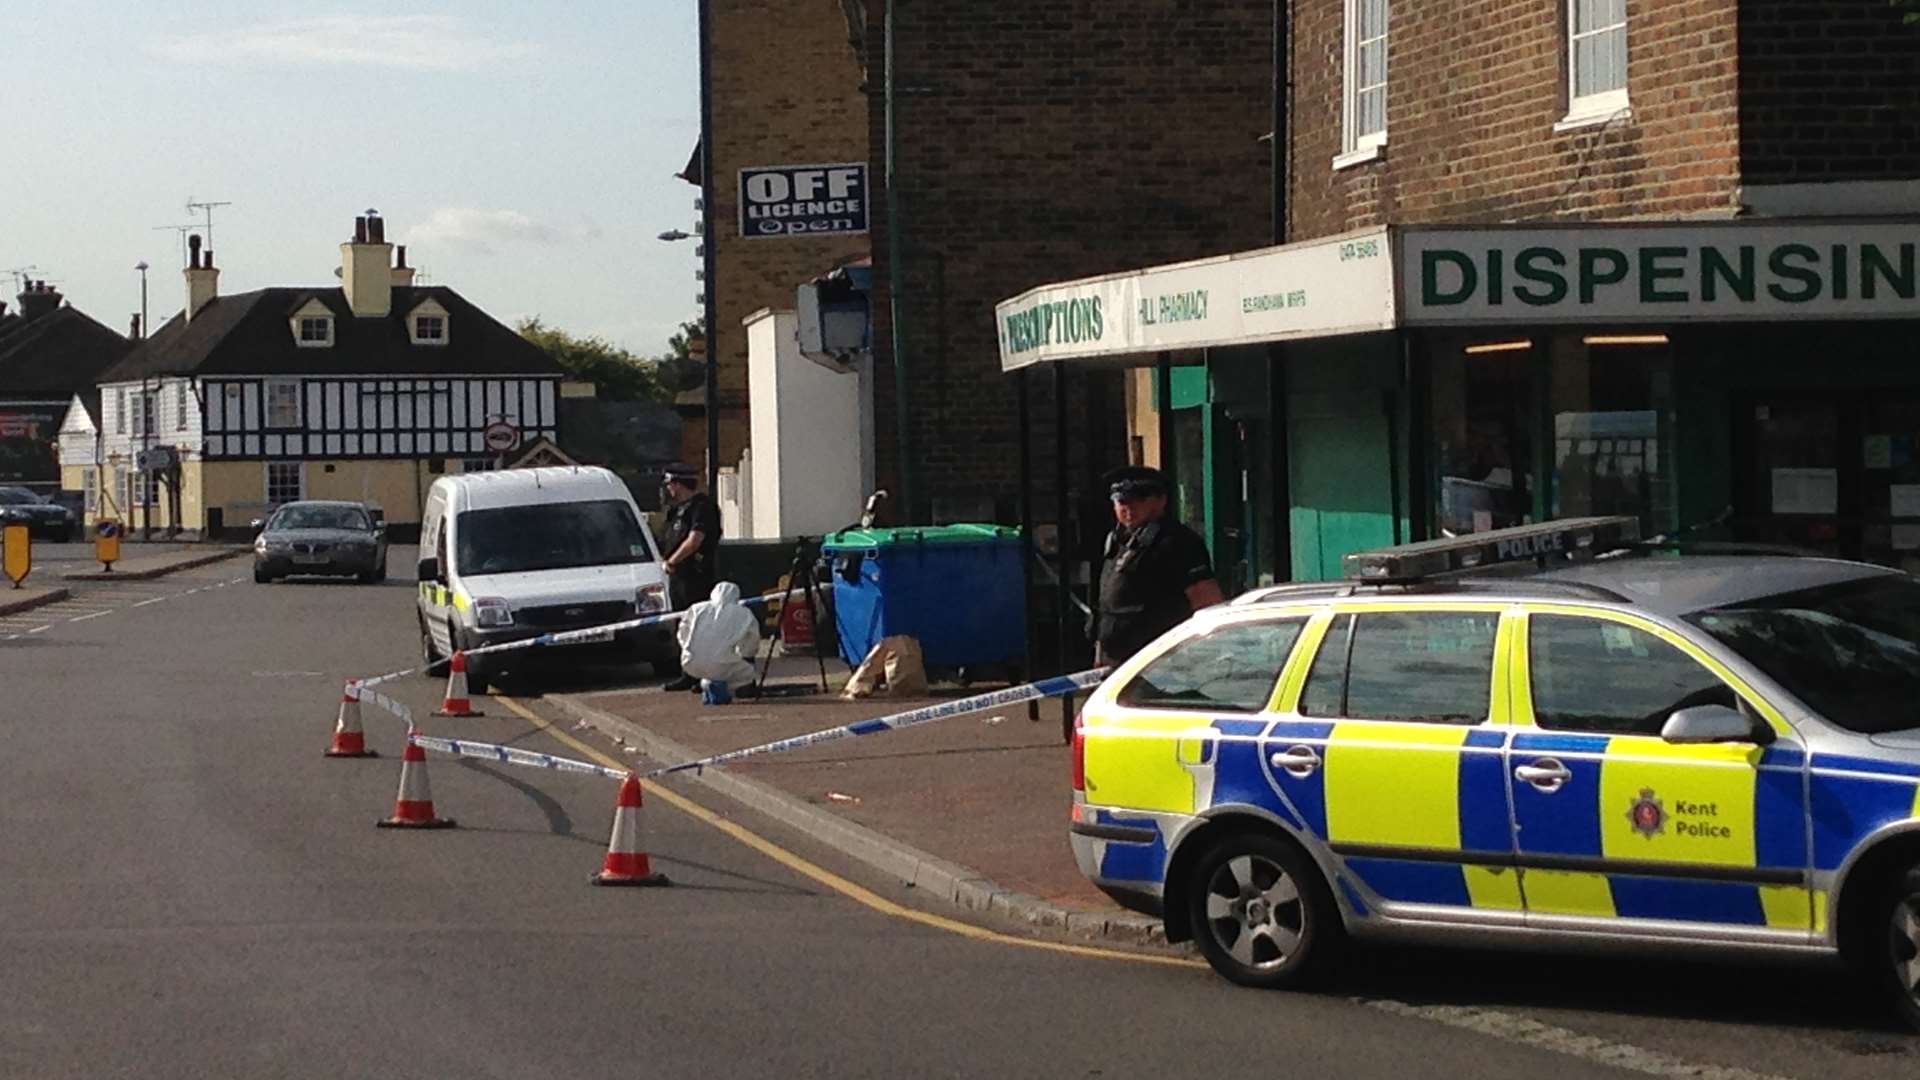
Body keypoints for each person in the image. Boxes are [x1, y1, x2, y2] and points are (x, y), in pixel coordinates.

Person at [1089, 465, 1225, 666]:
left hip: (1162, 660)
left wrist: (1205, 654)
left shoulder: (1177, 541)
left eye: (1140, 499)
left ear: (1161, 501)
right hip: (1119, 660)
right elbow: (1108, 605)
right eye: (1122, 501)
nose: (1129, 508)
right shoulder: (1119, 541)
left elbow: (1206, 600)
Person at [658, 463, 721, 691]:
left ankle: (705, 675)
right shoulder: (676, 510)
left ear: (678, 483)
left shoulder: (702, 507)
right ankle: (688, 673)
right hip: (679, 579)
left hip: (697, 577)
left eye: (670, 484)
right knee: (683, 626)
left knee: (700, 627)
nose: (668, 489)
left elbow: (695, 540)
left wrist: (673, 560)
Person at [676, 581, 761, 704]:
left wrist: (687, 648)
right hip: (722, 664)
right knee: (748, 675)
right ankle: (719, 688)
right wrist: (744, 654)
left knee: (711, 670)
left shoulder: (696, 608)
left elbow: (682, 632)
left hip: (690, 663)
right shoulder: (744, 613)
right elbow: (752, 642)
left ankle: (707, 683)